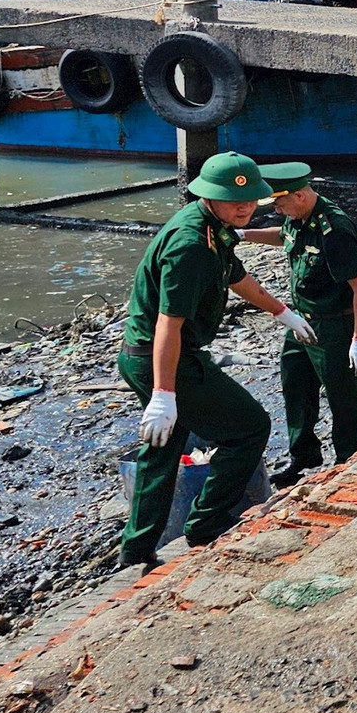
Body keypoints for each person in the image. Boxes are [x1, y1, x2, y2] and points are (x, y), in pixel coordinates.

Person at [117, 153, 321, 567]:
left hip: (155, 355)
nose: (244, 207)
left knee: (162, 451)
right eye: (233, 201)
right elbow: (168, 325)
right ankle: (206, 524)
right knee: (248, 428)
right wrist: (163, 392)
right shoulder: (191, 245)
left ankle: (136, 553)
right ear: (209, 197)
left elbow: (238, 278)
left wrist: (282, 311)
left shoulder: (217, 228)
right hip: (165, 357)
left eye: (250, 201)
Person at [243, 163, 357, 486]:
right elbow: (285, 236)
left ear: (299, 196)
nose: (276, 209)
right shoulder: (297, 216)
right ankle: (303, 457)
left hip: (333, 326)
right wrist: (244, 235)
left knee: (343, 398)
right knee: (295, 384)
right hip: (301, 321)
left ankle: (349, 462)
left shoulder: (336, 231)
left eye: (279, 203)